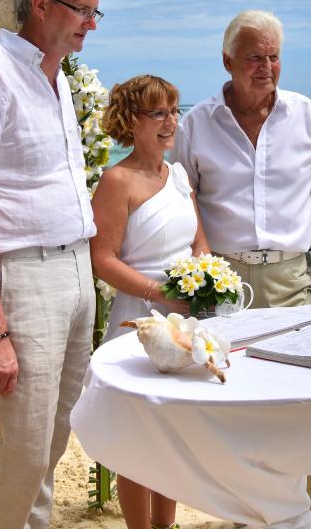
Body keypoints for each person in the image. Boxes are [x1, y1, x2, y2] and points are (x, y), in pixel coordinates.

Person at [172, 9, 311, 528]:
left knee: (300, 399)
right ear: (228, 61)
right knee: (231, 401)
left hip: (292, 278)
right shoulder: (197, 123)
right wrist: (199, 271)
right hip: (222, 283)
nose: (266, 67)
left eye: (274, 56)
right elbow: (185, 197)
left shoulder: (307, 115)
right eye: (254, 57)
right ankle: (244, 515)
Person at [0, 0, 105, 529]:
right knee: (23, 445)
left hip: (77, 272)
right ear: (41, 5)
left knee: (56, 435)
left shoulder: (59, 81)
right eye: (83, 11)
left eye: (97, 12)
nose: (91, 24)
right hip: (23, 276)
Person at [85, 74, 207, 529]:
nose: (170, 122)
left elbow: (199, 242)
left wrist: (205, 282)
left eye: (174, 111)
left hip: (186, 320)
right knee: (139, 440)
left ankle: (166, 524)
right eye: (158, 113)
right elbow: (102, 259)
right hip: (136, 321)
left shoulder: (179, 176)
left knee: (175, 435)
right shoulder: (117, 181)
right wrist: (159, 294)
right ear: (131, 121)